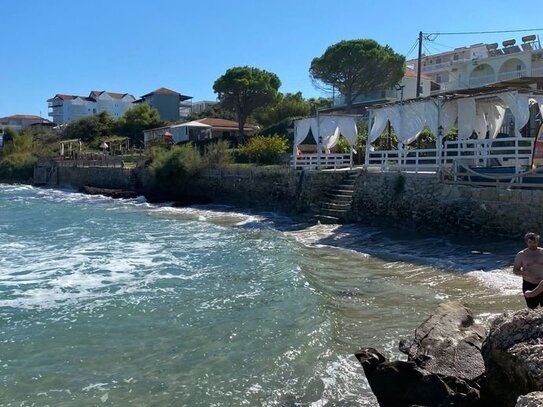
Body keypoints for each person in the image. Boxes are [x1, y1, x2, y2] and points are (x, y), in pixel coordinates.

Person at [513, 232, 543, 308]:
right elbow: (515, 270)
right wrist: (523, 273)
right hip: (529, 284)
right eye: (530, 242)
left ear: (538, 241)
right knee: (532, 308)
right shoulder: (521, 255)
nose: (533, 244)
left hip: (542, 283)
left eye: (535, 242)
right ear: (527, 242)